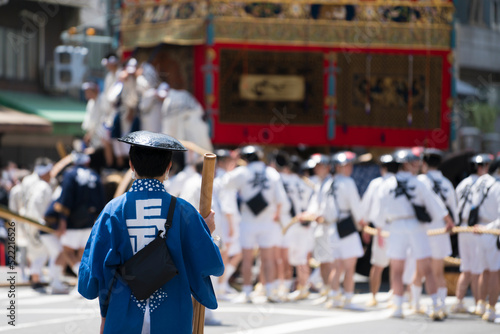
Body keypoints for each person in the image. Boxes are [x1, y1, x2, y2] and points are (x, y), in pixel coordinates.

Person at [78, 130, 224, 334]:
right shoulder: (184, 211)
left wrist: (105, 313)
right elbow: (211, 264)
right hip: (172, 314)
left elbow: (94, 272)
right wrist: (205, 232)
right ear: (168, 167)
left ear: (131, 165)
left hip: (123, 312)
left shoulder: (113, 210)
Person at [371, 149, 451, 319]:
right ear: (405, 164)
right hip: (416, 226)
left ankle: (398, 306)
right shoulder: (418, 183)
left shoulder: (387, 184)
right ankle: (436, 305)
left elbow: (378, 212)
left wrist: (379, 229)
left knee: (397, 268)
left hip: (396, 226)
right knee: (427, 267)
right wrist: (447, 220)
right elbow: (433, 204)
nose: (417, 165)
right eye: (414, 162)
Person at [221, 145, 287, 303]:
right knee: (268, 257)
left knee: (247, 257)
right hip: (268, 220)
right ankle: (270, 290)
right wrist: (277, 213)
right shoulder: (271, 172)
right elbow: (282, 200)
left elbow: (225, 183)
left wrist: (234, 163)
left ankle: (247, 291)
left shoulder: (242, 172)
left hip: (248, 220)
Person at [415, 148, 457, 314]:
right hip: (441, 228)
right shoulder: (446, 183)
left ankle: (416, 303)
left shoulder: (419, 180)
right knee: (438, 270)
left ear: (424, 163)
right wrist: (453, 225)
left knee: (420, 269)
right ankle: (440, 304)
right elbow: (454, 208)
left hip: (423, 228)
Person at [323, 151, 364, 309]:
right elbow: (356, 206)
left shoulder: (328, 182)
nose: (350, 168)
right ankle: (347, 298)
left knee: (336, 266)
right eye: (347, 165)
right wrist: (361, 222)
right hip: (346, 227)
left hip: (332, 227)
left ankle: (334, 297)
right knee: (349, 267)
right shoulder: (348, 182)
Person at [54, 152, 105, 278]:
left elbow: (66, 198)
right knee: (83, 253)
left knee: (67, 251)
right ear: (87, 162)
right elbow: (101, 200)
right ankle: (81, 283)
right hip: (90, 220)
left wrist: (62, 220)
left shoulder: (70, 174)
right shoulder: (94, 175)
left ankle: (82, 275)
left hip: (72, 221)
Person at [451, 154, 490, 314]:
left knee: (466, 267)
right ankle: (478, 303)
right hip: (476, 228)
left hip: (463, 227)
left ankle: (459, 301)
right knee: (477, 268)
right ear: (480, 167)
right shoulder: (483, 184)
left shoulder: (462, 184)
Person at [360, 154, 398, 307]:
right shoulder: (400, 183)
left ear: (383, 168)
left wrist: (365, 227)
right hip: (397, 227)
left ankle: (373, 296)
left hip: (381, 228)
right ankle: (395, 295)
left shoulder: (376, 184)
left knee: (378, 264)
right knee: (397, 263)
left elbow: (366, 206)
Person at [466, 154, 500, 321]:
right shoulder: (498, 185)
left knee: (483, 271)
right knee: (494, 272)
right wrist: (489, 227)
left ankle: (480, 304)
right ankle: (491, 309)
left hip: (477, 230)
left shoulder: (480, 181)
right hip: (492, 230)